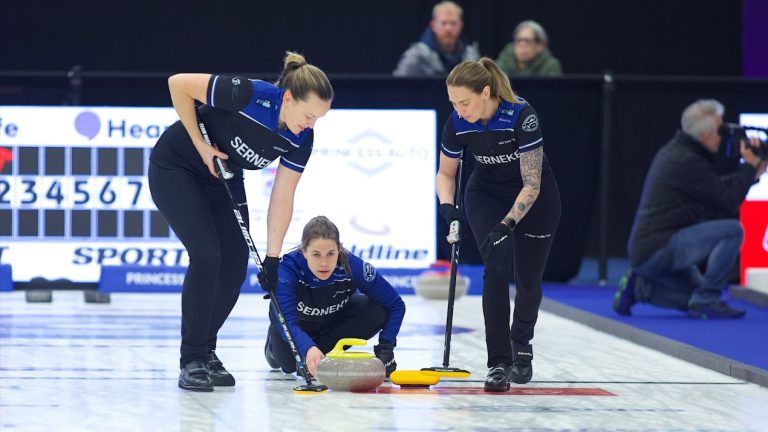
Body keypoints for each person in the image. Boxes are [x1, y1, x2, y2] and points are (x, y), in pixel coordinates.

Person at [148, 52, 333, 392]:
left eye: (318, 119)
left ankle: (206, 351)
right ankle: (191, 359)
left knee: (234, 265)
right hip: (177, 166)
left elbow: (282, 196)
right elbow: (178, 84)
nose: (311, 124)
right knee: (206, 256)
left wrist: (273, 258)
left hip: (223, 177)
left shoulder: (301, 138)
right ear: (288, 99)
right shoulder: (249, 94)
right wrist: (202, 146)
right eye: (309, 115)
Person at [436, 58, 561, 391]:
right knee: (495, 265)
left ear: (486, 92)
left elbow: (532, 184)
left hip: (536, 198)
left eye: (464, 102)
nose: (459, 110)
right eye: (453, 103)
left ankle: (521, 342)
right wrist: (448, 207)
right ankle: (499, 363)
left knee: (529, 280)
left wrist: (508, 224)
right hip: (485, 193)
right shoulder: (458, 123)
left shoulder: (521, 116)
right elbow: (446, 173)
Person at [617, 99, 767, 319]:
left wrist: (752, 172)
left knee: (695, 296)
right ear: (707, 136)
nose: (724, 135)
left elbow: (715, 190)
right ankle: (706, 301)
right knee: (733, 230)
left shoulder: (680, 153)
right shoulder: (686, 161)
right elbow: (726, 200)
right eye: (720, 129)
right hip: (660, 248)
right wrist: (750, 168)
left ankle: (640, 288)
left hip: (652, 249)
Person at [263, 216, 406, 378]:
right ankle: (274, 348)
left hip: (332, 321)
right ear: (303, 251)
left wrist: (386, 346)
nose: (324, 263)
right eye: (316, 254)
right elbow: (287, 321)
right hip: (298, 323)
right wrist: (308, 348)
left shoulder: (353, 266)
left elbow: (396, 304)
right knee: (289, 365)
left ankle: (321, 351)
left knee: (378, 311)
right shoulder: (287, 271)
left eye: (330, 254)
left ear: (339, 249)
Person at [393, 1, 480, 77]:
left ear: (461, 25)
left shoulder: (471, 56)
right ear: (433, 25)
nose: (448, 29)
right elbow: (398, 87)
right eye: (444, 23)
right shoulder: (416, 56)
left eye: (453, 23)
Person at [495, 20, 562, 77]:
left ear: (540, 46)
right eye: (518, 40)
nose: (522, 45)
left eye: (528, 41)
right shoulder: (499, 66)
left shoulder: (550, 67)